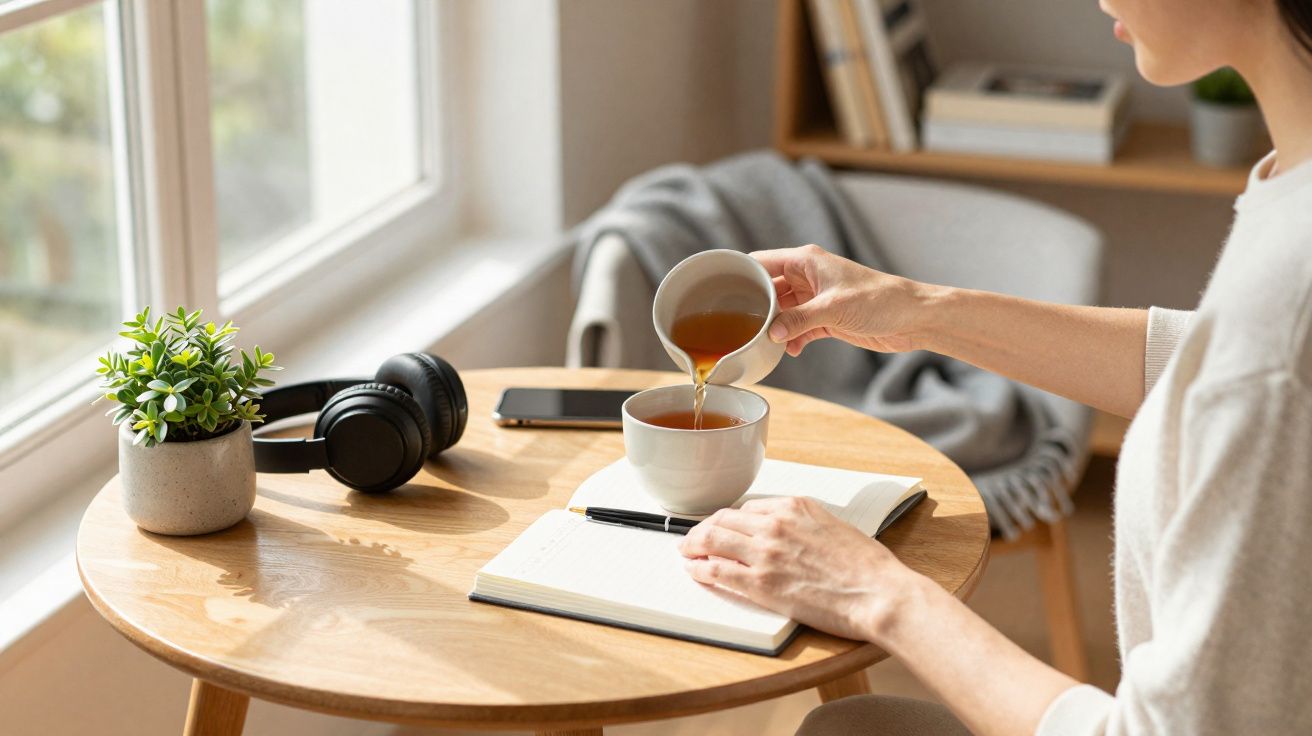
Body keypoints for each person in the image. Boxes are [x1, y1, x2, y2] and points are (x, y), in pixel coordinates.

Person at [677, 0, 1312, 733]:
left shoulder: (1284, 315)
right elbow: (1203, 364)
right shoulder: (1291, 196)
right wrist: (918, 310)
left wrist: (876, 592)